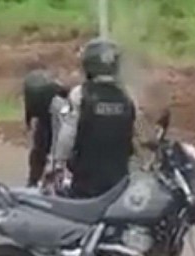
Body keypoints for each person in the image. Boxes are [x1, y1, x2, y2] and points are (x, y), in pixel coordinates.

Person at [51, 38, 137, 198]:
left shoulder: (80, 94)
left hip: (85, 181)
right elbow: (138, 135)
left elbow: (67, 135)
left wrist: (58, 164)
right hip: (120, 181)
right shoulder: (127, 96)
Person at [22, 69, 70, 188]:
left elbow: (60, 137)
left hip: (59, 122)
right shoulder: (34, 98)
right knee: (38, 152)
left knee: (60, 153)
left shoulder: (58, 103)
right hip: (44, 120)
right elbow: (29, 112)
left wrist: (55, 163)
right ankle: (33, 182)